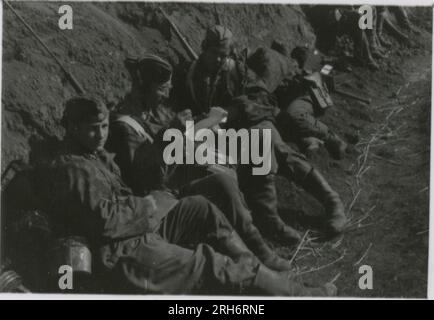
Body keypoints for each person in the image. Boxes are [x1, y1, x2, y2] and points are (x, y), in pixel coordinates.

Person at [33, 95, 338, 295]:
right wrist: (148, 204)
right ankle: (300, 295)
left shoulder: (90, 155)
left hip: (136, 229)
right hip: (121, 253)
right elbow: (105, 221)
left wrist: (148, 204)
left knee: (199, 208)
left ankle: (264, 275)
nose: (100, 134)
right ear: (71, 128)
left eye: (102, 126)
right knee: (210, 265)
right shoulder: (73, 168)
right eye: (90, 129)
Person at [106, 53, 292, 272]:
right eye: (161, 88)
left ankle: (259, 247)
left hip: (178, 181)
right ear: (141, 88)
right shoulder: (124, 127)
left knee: (231, 169)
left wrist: (203, 122)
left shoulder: (153, 111)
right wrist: (173, 132)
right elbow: (147, 177)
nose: (167, 92)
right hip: (161, 200)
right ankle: (252, 260)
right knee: (222, 181)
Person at [174, 25, 347, 238]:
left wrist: (234, 111)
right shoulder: (187, 76)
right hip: (212, 140)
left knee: (274, 146)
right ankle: (267, 221)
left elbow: (264, 100)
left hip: (245, 127)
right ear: (203, 49)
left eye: (224, 55)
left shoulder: (238, 70)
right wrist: (194, 120)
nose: (220, 60)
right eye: (215, 54)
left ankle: (331, 201)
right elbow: (177, 111)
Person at [275, 46, 347, 159]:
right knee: (281, 121)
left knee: (294, 114)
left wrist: (300, 76)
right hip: (289, 100)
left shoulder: (300, 65)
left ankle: (331, 137)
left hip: (306, 96)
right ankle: (311, 141)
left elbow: (318, 73)